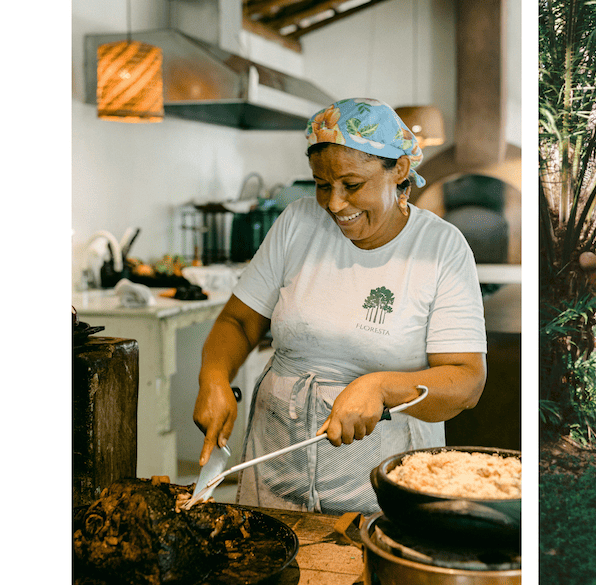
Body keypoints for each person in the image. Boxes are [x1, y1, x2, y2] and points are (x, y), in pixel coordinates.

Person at [193, 98, 487, 513]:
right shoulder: (297, 222)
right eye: (321, 184)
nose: (333, 204)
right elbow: (239, 322)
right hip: (277, 462)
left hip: (381, 479)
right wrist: (213, 376)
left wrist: (381, 387)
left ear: (398, 170)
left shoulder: (440, 247)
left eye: (352, 185)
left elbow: (466, 382)